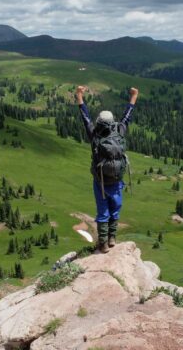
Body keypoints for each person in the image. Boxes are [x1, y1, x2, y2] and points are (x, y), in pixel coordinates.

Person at [75, 85, 138, 253]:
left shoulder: (94, 135)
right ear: (111, 123)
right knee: (115, 209)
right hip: (117, 181)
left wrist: (79, 95)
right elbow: (127, 115)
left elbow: (85, 117)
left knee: (103, 212)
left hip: (100, 182)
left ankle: (102, 244)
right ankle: (112, 238)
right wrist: (133, 96)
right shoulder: (119, 131)